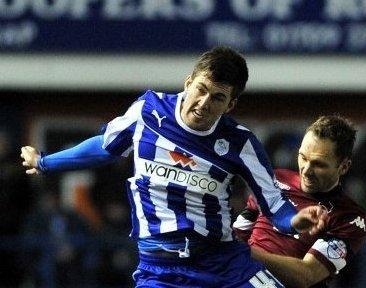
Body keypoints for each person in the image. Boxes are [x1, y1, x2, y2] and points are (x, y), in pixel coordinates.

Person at [20, 46, 327, 288]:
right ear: (188, 82)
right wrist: (44, 162)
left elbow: (274, 204)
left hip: (222, 264)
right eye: (201, 89)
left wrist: (295, 219)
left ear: (230, 105)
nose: (205, 102)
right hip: (161, 269)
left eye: (218, 97)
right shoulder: (148, 111)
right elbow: (104, 147)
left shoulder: (240, 144)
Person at [233, 115, 366, 288]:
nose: (306, 170)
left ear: (343, 166)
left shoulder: (350, 217)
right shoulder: (275, 180)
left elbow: (306, 275)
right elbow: (238, 234)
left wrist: (243, 251)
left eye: (319, 164)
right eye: (303, 157)